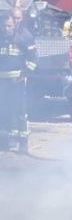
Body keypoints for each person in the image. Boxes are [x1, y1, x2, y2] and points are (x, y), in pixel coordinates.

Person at [0, 12, 37, 153]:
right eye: (4, 26)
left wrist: (25, 74)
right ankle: (4, 141)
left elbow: (34, 59)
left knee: (20, 112)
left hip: (17, 82)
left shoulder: (22, 40)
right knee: (3, 111)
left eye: (9, 26)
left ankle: (23, 143)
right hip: (2, 83)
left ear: (14, 26)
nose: (6, 28)